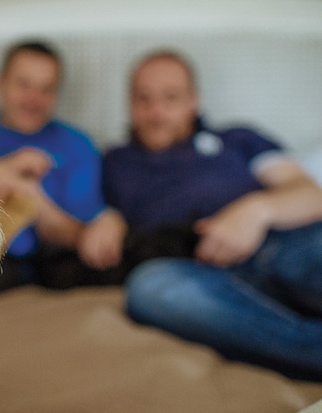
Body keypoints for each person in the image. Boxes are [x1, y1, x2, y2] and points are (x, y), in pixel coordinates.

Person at [81, 50, 322, 380]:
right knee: (147, 289)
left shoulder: (237, 139)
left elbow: (311, 194)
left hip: (282, 245)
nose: (156, 111)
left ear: (194, 101)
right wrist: (107, 217)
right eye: (143, 99)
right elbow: (85, 215)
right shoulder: (113, 161)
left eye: (171, 97)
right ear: (129, 103)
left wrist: (256, 211)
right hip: (202, 277)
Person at [0, 41, 118, 294]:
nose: (34, 99)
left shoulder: (77, 146)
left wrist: (31, 198)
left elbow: (81, 236)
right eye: (24, 85)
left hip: (20, 267)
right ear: (0, 83)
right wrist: (5, 167)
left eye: (46, 89)